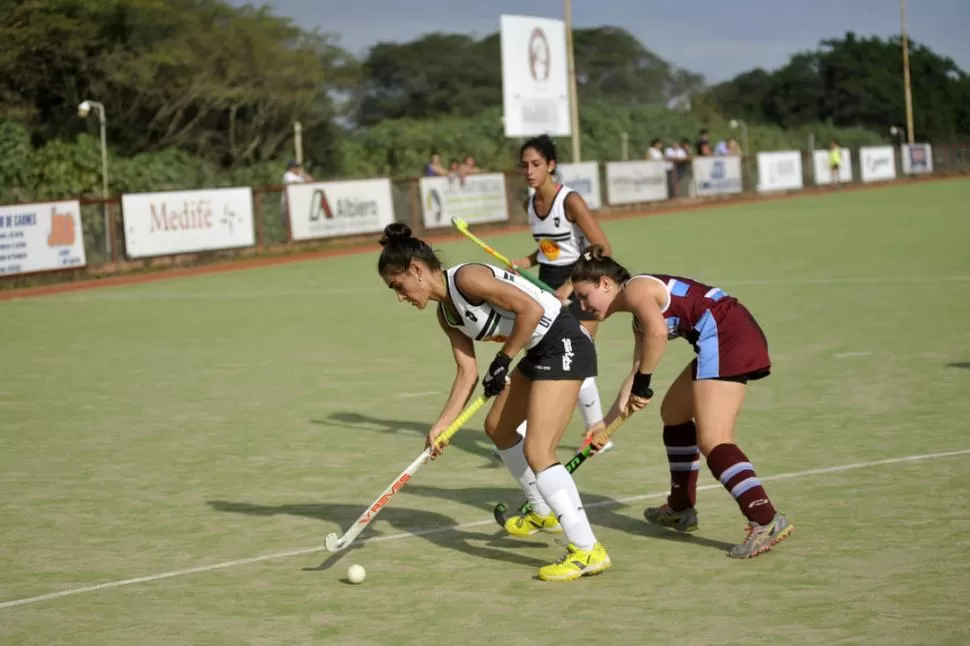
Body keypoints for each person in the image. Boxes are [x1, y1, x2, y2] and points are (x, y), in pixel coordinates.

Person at [377, 222, 611, 581]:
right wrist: (441, 426)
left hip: (563, 340)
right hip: (537, 349)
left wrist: (503, 360)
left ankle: (586, 549)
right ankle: (542, 511)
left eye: (399, 285)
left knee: (538, 449)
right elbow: (467, 373)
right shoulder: (447, 315)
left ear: (417, 271)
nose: (400, 296)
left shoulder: (467, 279)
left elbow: (530, 310)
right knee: (498, 428)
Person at [569, 245, 793, 559]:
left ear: (605, 283)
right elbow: (636, 372)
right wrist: (604, 426)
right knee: (673, 413)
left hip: (727, 334)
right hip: (723, 335)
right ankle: (681, 507)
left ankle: (765, 518)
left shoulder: (635, 290)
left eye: (583, 295)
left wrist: (645, 384)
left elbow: (658, 334)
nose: (582, 305)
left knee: (714, 439)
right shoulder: (637, 315)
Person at [509, 134, 616, 454]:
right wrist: (525, 261)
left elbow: (602, 247)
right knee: (551, 356)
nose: (529, 170)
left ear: (551, 166)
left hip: (583, 286)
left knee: (573, 357)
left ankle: (598, 431)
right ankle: (580, 430)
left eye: (536, 164)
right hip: (548, 287)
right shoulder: (531, 202)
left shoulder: (569, 200)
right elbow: (549, 247)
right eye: (524, 165)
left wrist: (571, 286)